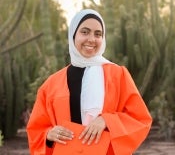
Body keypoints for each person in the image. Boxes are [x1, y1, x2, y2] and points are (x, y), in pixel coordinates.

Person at [26, 9, 152, 155]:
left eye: (98, 34)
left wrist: (107, 120)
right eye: (85, 32)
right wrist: (48, 135)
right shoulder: (52, 83)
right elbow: (36, 129)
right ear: (73, 35)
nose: (92, 39)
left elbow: (140, 119)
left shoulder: (117, 75)